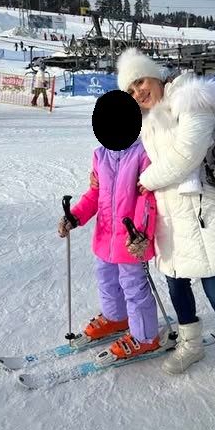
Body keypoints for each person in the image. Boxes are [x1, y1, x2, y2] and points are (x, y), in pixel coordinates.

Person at [115, 47, 215, 414]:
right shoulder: (148, 120)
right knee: (176, 282)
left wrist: (144, 181)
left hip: (201, 213)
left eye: (140, 82)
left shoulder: (191, 100)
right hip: (168, 216)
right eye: (130, 90)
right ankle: (191, 344)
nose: (138, 93)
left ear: (155, 75)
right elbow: (141, 159)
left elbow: (184, 157)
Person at [58, 119, 160, 361]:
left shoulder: (144, 153)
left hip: (131, 239)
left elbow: (148, 199)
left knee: (133, 285)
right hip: (105, 235)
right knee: (106, 279)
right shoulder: (100, 155)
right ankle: (116, 317)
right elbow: (95, 194)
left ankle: (146, 336)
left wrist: (140, 233)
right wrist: (76, 216)